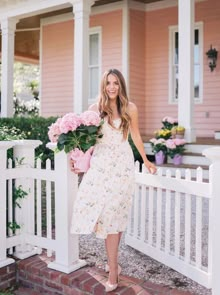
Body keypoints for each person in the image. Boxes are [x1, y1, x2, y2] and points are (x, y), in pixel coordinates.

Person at [70, 68, 156, 292]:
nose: (111, 87)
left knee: (114, 216)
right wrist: (76, 157)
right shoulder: (95, 109)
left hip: (122, 166)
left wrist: (146, 160)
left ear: (121, 85)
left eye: (115, 83)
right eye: (108, 83)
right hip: (100, 166)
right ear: (103, 85)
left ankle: (113, 268)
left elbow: (135, 135)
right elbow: (86, 140)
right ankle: (114, 264)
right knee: (103, 214)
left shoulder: (130, 108)